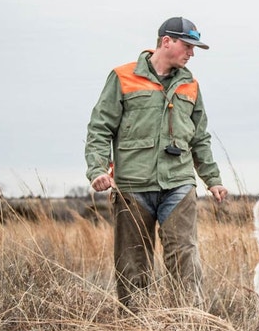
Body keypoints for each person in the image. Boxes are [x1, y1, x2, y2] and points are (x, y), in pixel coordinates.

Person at [85, 16, 229, 309]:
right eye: (187, 46)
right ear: (166, 42)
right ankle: (136, 327)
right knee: (132, 258)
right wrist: (98, 169)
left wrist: (212, 179)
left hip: (178, 182)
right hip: (133, 185)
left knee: (184, 254)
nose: (191, 54)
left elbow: (199, 137)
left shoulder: (191, 85)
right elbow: (100, 128)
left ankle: (188, 324)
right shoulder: (122, 77)